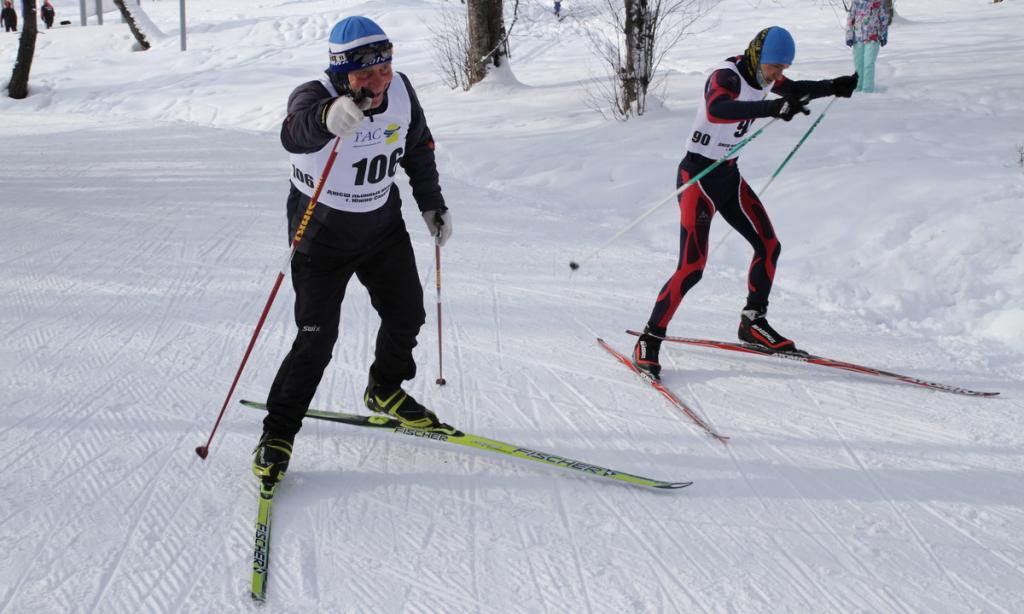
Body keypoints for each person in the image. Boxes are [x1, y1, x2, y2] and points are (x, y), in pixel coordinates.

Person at [252, 16, 454, 484]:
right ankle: (277, 433)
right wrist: (327, 117)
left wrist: (432, 204)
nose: (378, 81)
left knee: (408, 314)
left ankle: (384, 388)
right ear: (342, 72)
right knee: (315, 339)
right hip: (320, 238)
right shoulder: (313, 94)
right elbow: (294, 131)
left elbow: (418, 146)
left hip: (382, 228)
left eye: (384, 67)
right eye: (365, 73)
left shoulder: (401, 89)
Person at [632, 26, 858, 380]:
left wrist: (834, 86)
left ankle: (753, 323)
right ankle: (649, 338)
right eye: (775, 67)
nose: (779, 75)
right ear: (757, 55)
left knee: (769, 246)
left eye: (783, 68)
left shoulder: (765, 77)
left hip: (728, 176)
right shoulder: (727, 75)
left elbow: (793, 90)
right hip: (697, 179)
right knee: (692, 267)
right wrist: (772, 107)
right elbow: (718, 108)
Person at [846, 0, 893, 93]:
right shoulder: (856, 2)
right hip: (857, 38)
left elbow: (884, 19)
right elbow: (850, 19)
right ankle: (858, 87)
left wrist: (884, 36)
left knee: (868, 64)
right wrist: (849, 36)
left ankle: (867, 89)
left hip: (873, 38)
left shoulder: (880, 2)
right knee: (858, 64)